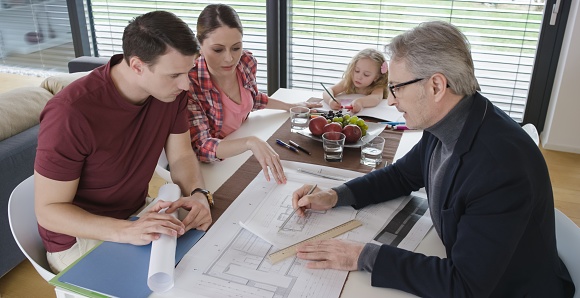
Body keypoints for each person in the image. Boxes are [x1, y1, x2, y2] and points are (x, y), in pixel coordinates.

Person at [292, 21, 575, 297]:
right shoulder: (452, 119)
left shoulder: (501, 169)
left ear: (437, 86)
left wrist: (363, 255)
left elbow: (465, 285)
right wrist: (335, 195)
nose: (390, 101)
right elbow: (403, 175)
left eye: (397, 88)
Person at [34, 11, 213, 273]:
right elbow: (48, 211)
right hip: (82, 237)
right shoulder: (70, 113)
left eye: (189, 71)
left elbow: (181, 156)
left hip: (137, 215)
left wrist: (198, 194)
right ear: (138, 66)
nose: (186, 84)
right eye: (174, 74)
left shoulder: (170, 94)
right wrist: (128, 230)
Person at [187, 4, 320, 185]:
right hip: (214, 170)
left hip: (239, 155)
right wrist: (250, 142)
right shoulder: (191, 83)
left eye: (236, 47)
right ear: (200, 45)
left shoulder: (246, 62)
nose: (229, 58)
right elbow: (202, 148)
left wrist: (290, 107)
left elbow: (253, 98)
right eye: (218, 50)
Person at [321, 48, 389, 113]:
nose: (359, 77)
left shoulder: (378, 86)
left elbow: (376, 98)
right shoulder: (349, 81)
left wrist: (360, 102)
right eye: (357, 71)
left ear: (376, 77)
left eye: (366, 74)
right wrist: (330, 100)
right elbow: (328, 91)